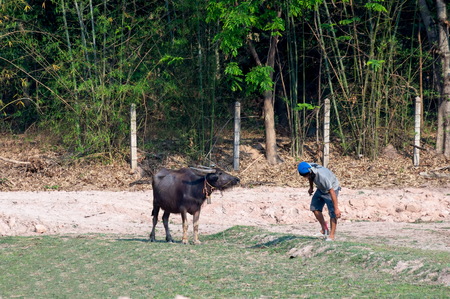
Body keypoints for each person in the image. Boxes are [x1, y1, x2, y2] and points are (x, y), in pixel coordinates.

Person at [297, 162, 341, 241]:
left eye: (306, 175)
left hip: (332, 189)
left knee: (333, 213)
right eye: (304, 176)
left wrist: (336, 208)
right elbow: (310, 178)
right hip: (321, 189)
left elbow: (331, 191)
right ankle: (324, 230)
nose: (306, 177)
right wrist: (311, 188)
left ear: (310, 171)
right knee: (314, 208)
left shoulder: (322, 177)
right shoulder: (309, 168)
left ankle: (331, 236)